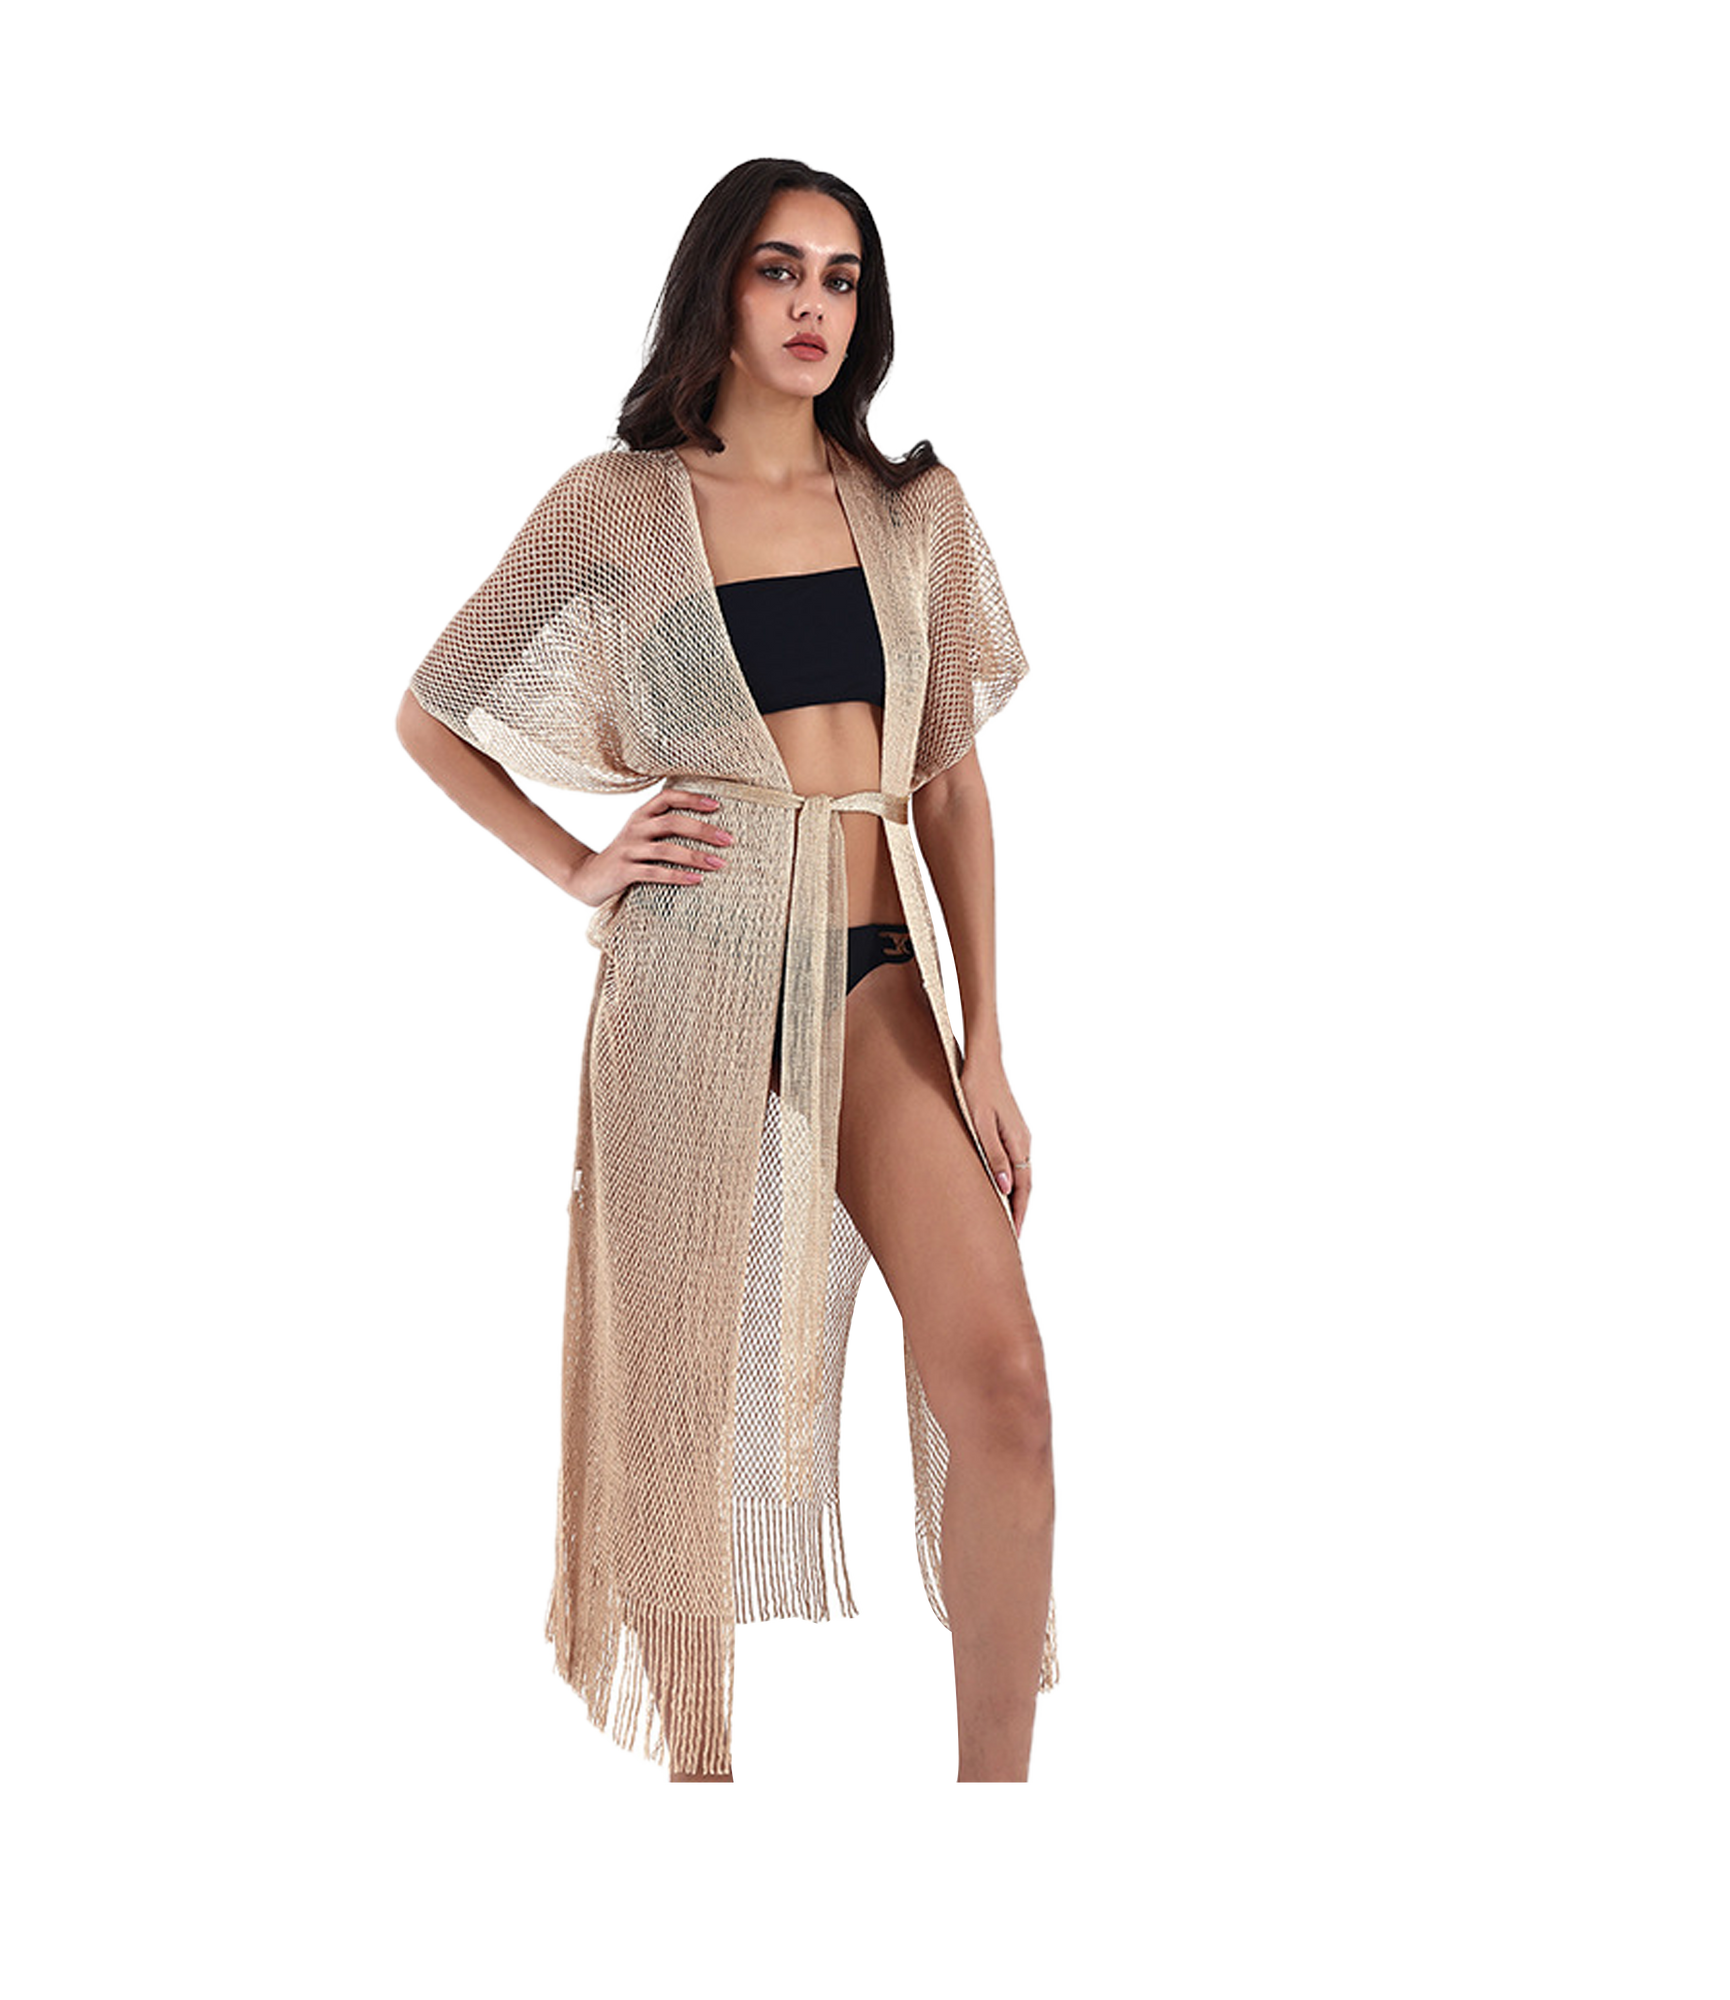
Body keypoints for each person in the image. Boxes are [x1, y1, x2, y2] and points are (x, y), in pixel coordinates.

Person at [393, 153, 1064, 1785]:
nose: (812, 306)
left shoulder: (915, 508)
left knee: (1002, 1385)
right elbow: (430, 712)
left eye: (841, 277)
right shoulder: (613, 503)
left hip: (873, 963)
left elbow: (952, 787)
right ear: (718, 287)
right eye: (780, 270)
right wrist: (581, 864)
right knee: (679, 1411)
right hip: (691, 973)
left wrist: (987, 1040)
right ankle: (702, 1768)